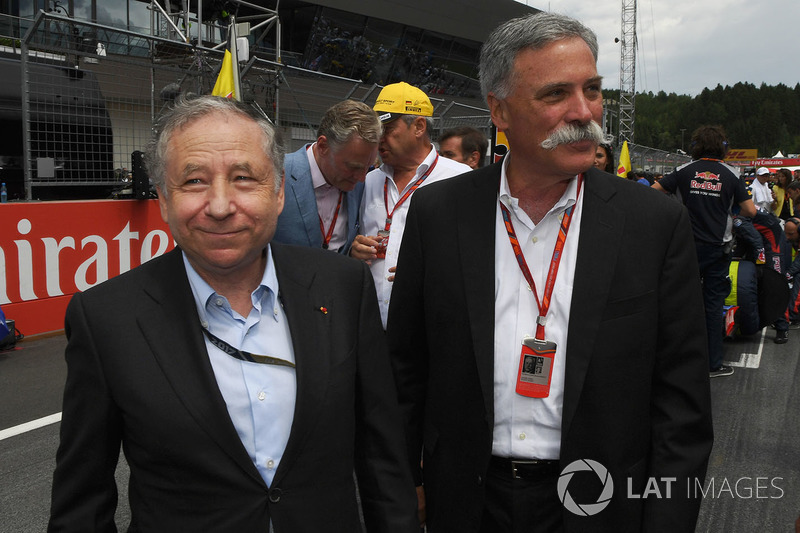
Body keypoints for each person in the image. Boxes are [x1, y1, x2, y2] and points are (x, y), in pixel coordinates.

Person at [388, 12, 713, 533]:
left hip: (602, 500)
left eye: (592, 90)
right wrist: (405, 490)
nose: (584, 113)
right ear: (500, 110)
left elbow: (682, 404)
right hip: (467, 500)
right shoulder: (438, 214)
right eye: (555, 94)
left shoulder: (652, 222)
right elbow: (405, 373)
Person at [48, 95, 418, 532]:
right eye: (194, 182)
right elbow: (82, 503)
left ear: (278, 192)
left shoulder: (343, 288)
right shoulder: (106, 317)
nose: (220, 206)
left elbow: (382, 459)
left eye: (244, 178)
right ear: (164, 200)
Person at [350, 81, 471, 328]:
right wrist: (355, 250)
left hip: (427, 325)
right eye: (376, 131)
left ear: (418, 126)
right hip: (368, 323)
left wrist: (429, 271)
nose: (379, 138)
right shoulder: (368, 180)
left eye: (388, 129)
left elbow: (473, 256)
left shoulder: (460, 178)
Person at [654, 125, 757, 373]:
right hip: (717, 250)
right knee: (712, 306)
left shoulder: (683, 170)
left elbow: (652, 194)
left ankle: (671, 362)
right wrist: (730, 212)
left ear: (694, 147)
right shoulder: (732, 174)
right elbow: (751, 211)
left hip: (684, 247)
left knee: (676, 303)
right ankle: (713, 364)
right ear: (723, 147)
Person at [273, 99, 380, 254]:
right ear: (323, 146)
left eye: (367, 167)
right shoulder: (276, 174)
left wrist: (352, 252)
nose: (362, 178)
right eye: (353, 167)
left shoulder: (359, 185)